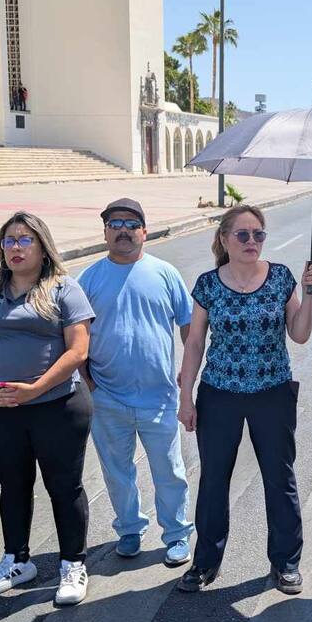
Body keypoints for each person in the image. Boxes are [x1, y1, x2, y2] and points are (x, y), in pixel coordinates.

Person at [175, 204, 312, 595]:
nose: (251, 241)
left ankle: (286, 563)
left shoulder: (281, 277)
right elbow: (194, 343)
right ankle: (205, 563)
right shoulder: (208, 284)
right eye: (242, 234)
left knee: (280, 478)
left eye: (258, 234)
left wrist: (309, 296)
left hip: (272, 393)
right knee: (213, 480)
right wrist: (186, 397)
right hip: (219, 394)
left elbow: (300, 334)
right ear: (224, 239)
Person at [0, 212, 95, 605]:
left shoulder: (64, 288)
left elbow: (78, 350)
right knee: (14, 484)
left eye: (24, 240)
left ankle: (73, 563)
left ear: (42, 245)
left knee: (64, 486)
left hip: (58, 406)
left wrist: (35, 389)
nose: (15, 248)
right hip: (1, 407)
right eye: (9, 241)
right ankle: (17, 560)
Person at [78, 198, 194, 566]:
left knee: (169, 471)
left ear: (144, 231)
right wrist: (88, 383)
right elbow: (75, 336)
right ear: (105, 232)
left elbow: (190, 327)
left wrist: (188, 373)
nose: (123, 230)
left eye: (131, 224)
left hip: (159, 397)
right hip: (107, 397)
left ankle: (176, 534)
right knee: (117, 473)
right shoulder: (89, 279)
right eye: (115, 224)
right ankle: (129, 529)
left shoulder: (165, 273)